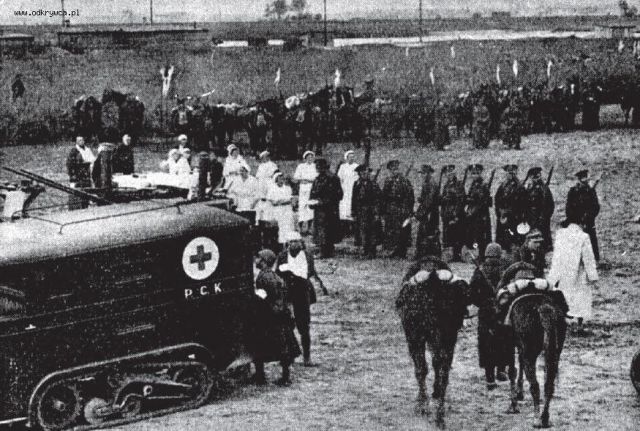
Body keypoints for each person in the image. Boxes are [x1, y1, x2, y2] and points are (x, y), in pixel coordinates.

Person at [252, 249, 300, 386]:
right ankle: (284, 376)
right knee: (283, 347)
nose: (256, 261)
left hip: (270, 316)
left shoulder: (264, 277)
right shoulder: (273, 275)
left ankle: (262, 376)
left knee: (261, 345)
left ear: (264, 261)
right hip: (278, 315)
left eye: (258, 258)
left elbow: (266, 297)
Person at [470, 243, 511, 389]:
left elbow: (472, 293)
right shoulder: (505, 269)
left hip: (486, 312)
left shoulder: (480, 270)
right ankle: (501, 370)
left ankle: (490, 377)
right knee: (504, 340)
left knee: (486, 343)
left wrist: (482, 303)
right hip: (503, 310)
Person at [547, 218, 599, 330]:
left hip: (563, 272)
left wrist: (553, 276)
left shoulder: (560, 234)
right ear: (582, 223)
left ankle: (565, 320)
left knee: (564, 295)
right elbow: (588, 259)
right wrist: (592, 276)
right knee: (580, 298)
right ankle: (579, 323)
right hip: (578, 272)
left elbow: (556, 256)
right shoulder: (584, 236)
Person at [276, 232, 318, 366]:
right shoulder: (283, 256)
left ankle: (307, 356)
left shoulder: (307, 255)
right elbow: (278, 272)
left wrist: (292, 272)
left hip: (302, 292)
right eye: (290, 242)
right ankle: (290, 354)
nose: (293, 244)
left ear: (300, 243)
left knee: (304, 325)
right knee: (287, 324)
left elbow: (309, 272)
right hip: (288, 292)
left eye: (295, 241)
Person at [309, 158, 343, 258]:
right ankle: (325, 250)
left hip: (328, 209)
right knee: (321, 230)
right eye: (316, 166)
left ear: (324, 167)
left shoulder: (332, 178)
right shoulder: (317, 178)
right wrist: (311, 201)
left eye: (319, 166)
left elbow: (338, 194)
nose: (317, 168)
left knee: (326, 230)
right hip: (319, 209)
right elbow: (313, 192)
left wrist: (323, 202)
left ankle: (325, 251)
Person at [381, 160, 414, 258]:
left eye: (396, 169)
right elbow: (384, 196)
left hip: (401, 209)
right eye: (392, 170)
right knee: (392, 231)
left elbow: (410, 197)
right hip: (391, 209)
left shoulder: (404, 181)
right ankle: (394, 250)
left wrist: (408, 210)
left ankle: (402, 252)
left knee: (402, 231)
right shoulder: (388, 180)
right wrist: (384, 209)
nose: (394, 171)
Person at [565, 169, 600, 261]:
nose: (584, 180)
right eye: (582, 178)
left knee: (591, 240)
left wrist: (588, 217)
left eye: (585, 178)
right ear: (579, 179)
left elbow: (596, 207)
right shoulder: (573, 191)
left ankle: (594, 260)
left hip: (588, 221)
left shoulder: (591, 191)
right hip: (576, 221)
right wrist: (574, 219)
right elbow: (568, 207)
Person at [351, 164, 382, 258]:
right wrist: (353, 212)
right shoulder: (357, 184)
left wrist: (376, 213)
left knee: (372, 231)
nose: (364, 174)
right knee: (362, 231)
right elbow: (354, 199)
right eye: (362, 173)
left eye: (366, 173)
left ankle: (372, 251)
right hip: (360, 211)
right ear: (359, 174)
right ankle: (365, 249)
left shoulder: (373, 184)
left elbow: (378, 200)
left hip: (371, 211)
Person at [494, 164, 525, 252]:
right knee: (502, 241)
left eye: (512, 172)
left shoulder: (519, 187)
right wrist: (500, 212)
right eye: (509, 172)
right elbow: (497, 200)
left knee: (513, 242)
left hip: (514, 218)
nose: (510, 174)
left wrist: (509, 212)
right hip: (502, 217)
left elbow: (522, 204)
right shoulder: (503, 186)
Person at [465, 164, 492, 260]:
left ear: (480, 173)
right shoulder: (473, 185)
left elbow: (482, 202)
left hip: (481, 214)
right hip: (474, 214)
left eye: (477, 173)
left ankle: (483, 256)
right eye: (473, 173)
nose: (475, 175)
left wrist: (473, 211)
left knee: (481, 235)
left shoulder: (483, 185)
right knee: (475, 235)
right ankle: (478, 255)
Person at [524, 166, 554, 251]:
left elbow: (550, 205)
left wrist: (545, 216)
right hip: (531, 218)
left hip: (542, 218)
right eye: (534, 177)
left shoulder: (545, 189)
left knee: (543, 238)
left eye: (537, 176)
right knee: (531, 238)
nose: (536, 179)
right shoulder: (529, 189)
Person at [415, 164, 441, 259]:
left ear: (429, 173)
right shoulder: (427, 183)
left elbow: (429, 201)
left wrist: (420, 213)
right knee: (425, 233)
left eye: (424, 173)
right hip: (428, 212)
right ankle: (424, 254)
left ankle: (432, 254)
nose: (422, 175)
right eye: (421, 173)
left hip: (430, 213)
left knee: (430, 233)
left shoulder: (431, 183)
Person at [440, 165, 466, 261]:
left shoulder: (459, 185)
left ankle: (457, 255)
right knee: (449, 236)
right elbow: (443, 202)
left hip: (455, 214)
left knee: (457, 235)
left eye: (451, 172)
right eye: (447, 173)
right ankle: (451, 255)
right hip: (447, 214)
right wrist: (443, 214)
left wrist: (456, 216)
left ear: (454, 173)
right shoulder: (446, 185)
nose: (449, 174)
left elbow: (460, 201)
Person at [266, 172, 295, 252]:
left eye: (282, 178)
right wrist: (282, 201)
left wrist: (281, 201)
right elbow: (273, 202)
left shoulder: (287, 188)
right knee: (279, 228)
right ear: (276, 179)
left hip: (287, 210)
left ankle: (288, 245)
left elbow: (290, 200)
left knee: (288, 227)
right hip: (277, 211)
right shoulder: (272, 189)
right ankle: (280, 247)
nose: (281, 180)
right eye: (279, 178)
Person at [66, 136, 95, 209]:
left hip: (87, 174)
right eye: (79, 140)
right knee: (77, 192)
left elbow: (93, 159)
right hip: (78, 175)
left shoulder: (87, 149)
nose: (81, 142)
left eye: (82, 140)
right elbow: (70, 164)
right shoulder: (74, 151)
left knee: (87, 190)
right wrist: (72, 175)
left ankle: (86, 204)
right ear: (76, 142)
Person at [293, 151, 318, 235]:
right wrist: (302, 180)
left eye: (311, 157)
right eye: (308, 157)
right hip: (303, 188)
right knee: (302, 207)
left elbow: (317, 177)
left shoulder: (315, 166)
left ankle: (309, 228)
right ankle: (300, 228)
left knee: (310, 207)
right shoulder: (301, 166)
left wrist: (311, 180)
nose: (310, 159)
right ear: (305, 158)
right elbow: (296, 177)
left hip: (312, 188)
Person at [337, 150, 359, 238]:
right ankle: (345, 230)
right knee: (344, 208)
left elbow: (357, 178)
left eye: (353, 157)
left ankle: (353, 229)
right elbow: (340, 178)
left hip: (353, 189)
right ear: (346, 158)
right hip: (345, 189)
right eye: (350, 157)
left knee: (352, 208)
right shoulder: (343, 166)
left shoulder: (356, 166)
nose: (351, 158)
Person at [255, 151, 279, 223]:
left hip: (269, 183)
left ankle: (269, 219)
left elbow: (275, 175)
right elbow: (258, 176)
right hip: (261, 184)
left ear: (268, 157)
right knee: (261, 200)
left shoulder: (273, 165)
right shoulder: (261, 166)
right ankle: (260, 219)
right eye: (262, 158)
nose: (263, 159)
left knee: (269, 200)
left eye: (264, 157)